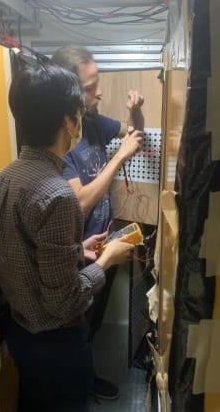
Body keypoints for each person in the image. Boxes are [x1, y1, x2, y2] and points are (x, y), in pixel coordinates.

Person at [0, 64, 135, 412]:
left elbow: (21, 253)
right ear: (69, 122)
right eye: (78, 114)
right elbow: (65, 303)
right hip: (56, 346)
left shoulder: (5, 177)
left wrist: (76, 250)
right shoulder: (58, 195)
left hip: (21, 333)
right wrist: (106, 259)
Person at [50, 46, 144, 400]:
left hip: (102, 247)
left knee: (94, 325)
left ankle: (86, 382)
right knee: (77, 331)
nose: (99, 92)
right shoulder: (64, 140)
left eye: (98, 83)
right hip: (79, 257)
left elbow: (133, 134)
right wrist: (118, 158)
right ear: (71, 92)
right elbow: (79, 201)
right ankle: (78, 390)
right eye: (91, 87)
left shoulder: (92, 123)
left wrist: (137, 112)